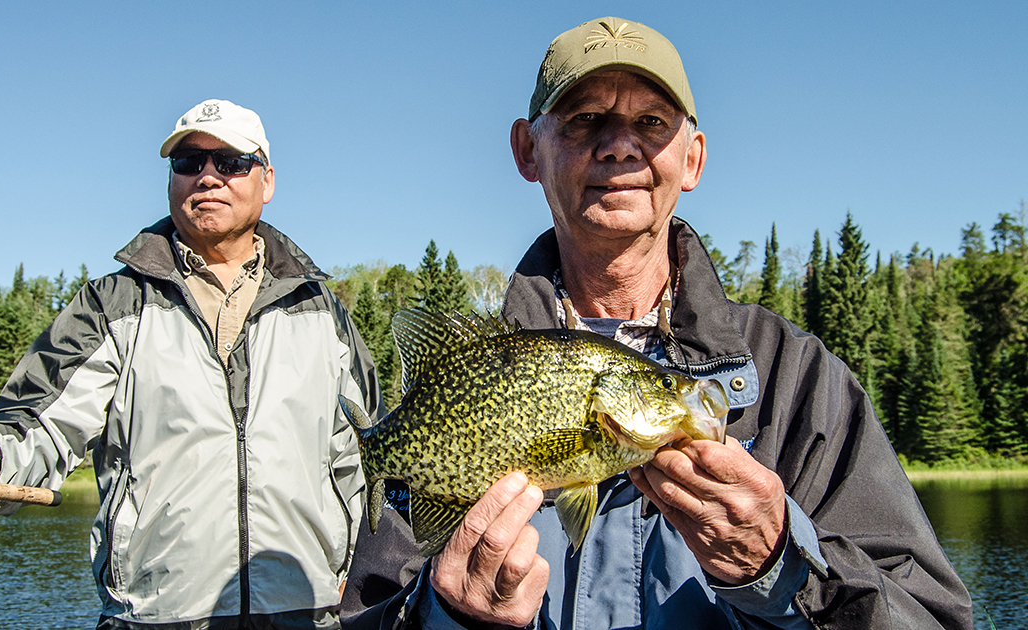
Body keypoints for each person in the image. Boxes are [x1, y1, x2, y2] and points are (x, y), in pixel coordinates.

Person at [343, 17, 972, 630]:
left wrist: (785, 569)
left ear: (692, 159)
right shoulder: (465, 381)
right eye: (585, 118)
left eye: (651, 122)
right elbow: (370, 614)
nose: (619, 144)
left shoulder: (796, 380)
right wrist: (449, 618)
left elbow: (930, 615)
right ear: (528, 150)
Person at [0, 99, 383, 630]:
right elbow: (39, 419)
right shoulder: (111, 304)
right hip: (155, 615)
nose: (207, 176)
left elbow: (374, 454)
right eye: (188, 163)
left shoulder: (322, 310)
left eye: (229, 162)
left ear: (266, 180)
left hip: (308, 611)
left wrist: (364, 571)